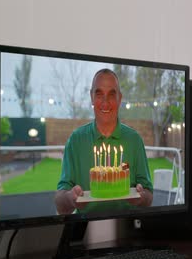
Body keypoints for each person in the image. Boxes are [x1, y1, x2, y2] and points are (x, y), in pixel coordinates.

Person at [55, 69, 153, 215]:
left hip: (127, 227)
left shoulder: (134, 140)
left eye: (112, 95)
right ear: (91, 97)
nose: (105, 102)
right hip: (85, 229)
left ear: (120, 98)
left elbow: (148, 197)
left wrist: (140, 197)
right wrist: (70, 198)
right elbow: (60, 203)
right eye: (99, 94)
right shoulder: (76, 140)